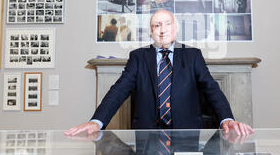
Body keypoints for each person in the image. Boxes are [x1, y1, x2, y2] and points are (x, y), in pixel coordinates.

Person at [65, 9, 253, 136]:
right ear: (150, 32)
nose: (162, 30)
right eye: (156, 26)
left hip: (186, 135)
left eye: (167, 24)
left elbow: (211, 89)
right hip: (146, 136)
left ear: (176, 28)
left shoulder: (193, 55)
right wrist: (97, 122)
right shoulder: (138, 57)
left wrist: (227, 120)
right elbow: (119, 90)